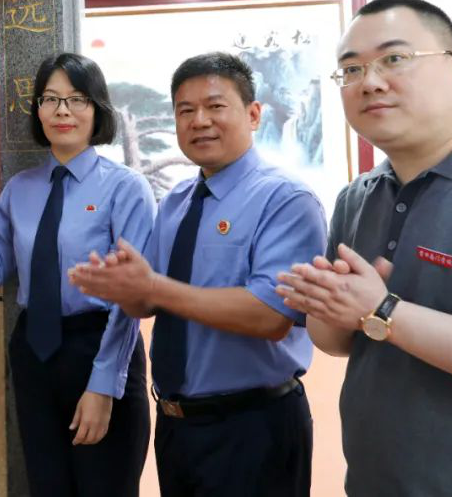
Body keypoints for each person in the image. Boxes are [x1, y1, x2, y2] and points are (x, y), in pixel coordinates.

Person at [70, 52, 326, 497]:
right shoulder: (177, 201)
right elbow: (147, 302)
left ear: (253, 114)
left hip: (253, 427)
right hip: (176, 426)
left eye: (215, 106)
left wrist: (153, 286)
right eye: (185, 110)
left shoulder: (286, 199)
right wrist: (123, 286)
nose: (199, 121)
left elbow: (271, 315)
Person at [276, 0, 452, 496]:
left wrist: (383, 310)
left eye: (394, 58)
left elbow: (379, 316)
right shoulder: (358, 197)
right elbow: (337, 343)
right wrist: (328, 304)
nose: (370, 82)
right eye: (351, 69)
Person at [0, 53, 155, 496]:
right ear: (38, 110)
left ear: (97, 109)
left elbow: (131, 298)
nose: (62, 111)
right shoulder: (20, 189)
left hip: (100, 346)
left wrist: (103, 385)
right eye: (50, 99)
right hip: (34, 351)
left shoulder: (125, 188)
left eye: (76, 99)